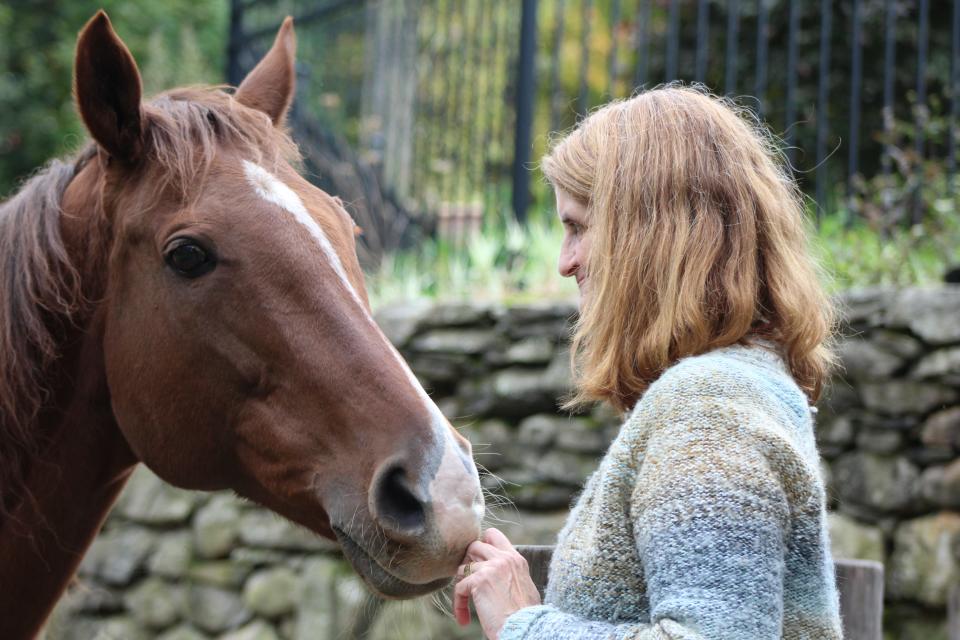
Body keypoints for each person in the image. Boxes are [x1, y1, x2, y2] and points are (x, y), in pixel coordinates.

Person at [452, 86, 844, 640]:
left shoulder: (710, 407)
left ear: (651, 236)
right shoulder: (739, 391)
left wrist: (523, 626)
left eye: (578, 226)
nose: (566, 263)